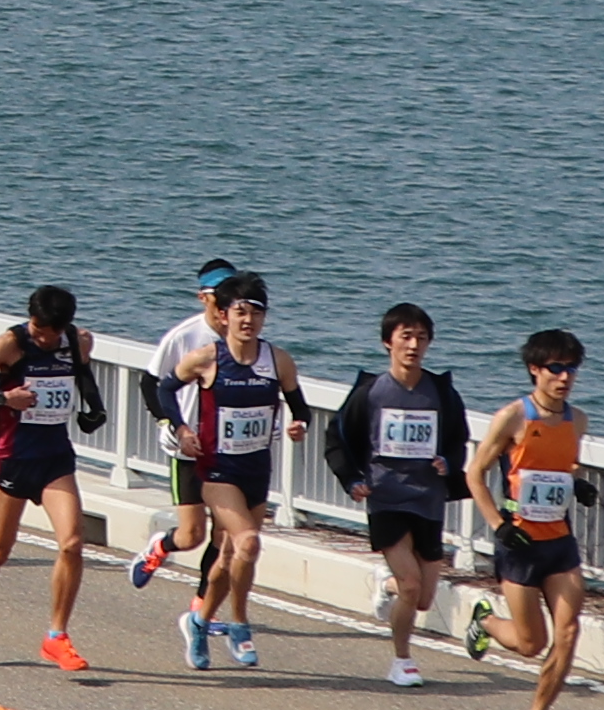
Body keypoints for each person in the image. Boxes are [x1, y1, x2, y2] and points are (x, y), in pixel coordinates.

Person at [152, 268, 299, 671]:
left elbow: (296, 402)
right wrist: (180, 428)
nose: (248, 319)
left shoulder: (278, 359)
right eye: (240, 311)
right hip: (216, 470)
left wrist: (297, 423)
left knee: (230, 553)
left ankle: (199, 621)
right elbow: (163, 388)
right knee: (248, 543)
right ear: (224, 316)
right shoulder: (205, 358)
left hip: (256, 469)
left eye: (256, 312)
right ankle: (239, 623)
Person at [320, 305, 473, 687]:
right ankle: (402, 661)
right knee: (411, 585)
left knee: (422, 598)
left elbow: (457, 440)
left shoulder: (440, 392)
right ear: (388, 342)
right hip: (386, 497)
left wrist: (448, 463)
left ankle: (384, 585)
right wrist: (352, 479)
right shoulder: (371, 392)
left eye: (421, 338)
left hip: (428, 499)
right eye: (406, 337)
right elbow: (335, 438)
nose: (414, 345)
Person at [0, 284, 102, 669]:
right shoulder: (9, 344)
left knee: (72, 543)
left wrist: (94, 410)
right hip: (14, 457)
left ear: (62, 328)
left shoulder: (78, 340)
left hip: (55, 458)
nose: (38, 335)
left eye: (45, 331)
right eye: (34, 327)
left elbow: (84, 378)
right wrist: (2, 399)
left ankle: (57, 635)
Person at [462, 330, 595, 710]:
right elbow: (474, 474)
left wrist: (579, 485)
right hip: (518, 541)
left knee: (569, 630)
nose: (564, 377)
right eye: (555, 368)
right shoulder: (513, 417)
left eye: (571, 368)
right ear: (535, 370)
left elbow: (560, 468)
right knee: (529, 643)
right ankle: (484, 621)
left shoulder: (578, 420)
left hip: (559, 540)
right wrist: (498, 526)